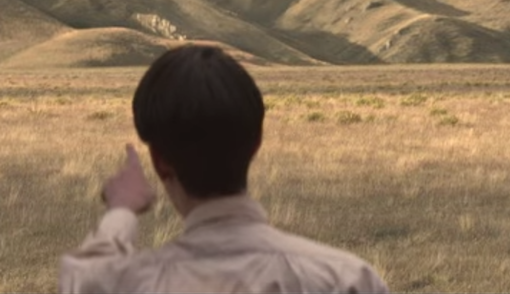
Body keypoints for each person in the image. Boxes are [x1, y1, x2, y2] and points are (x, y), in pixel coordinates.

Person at [58, 44, 389, 293]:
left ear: (159, 160)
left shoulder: (135, 284)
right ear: (256, 142)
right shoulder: (347, 280)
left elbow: (84, 278)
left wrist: (121, 210)